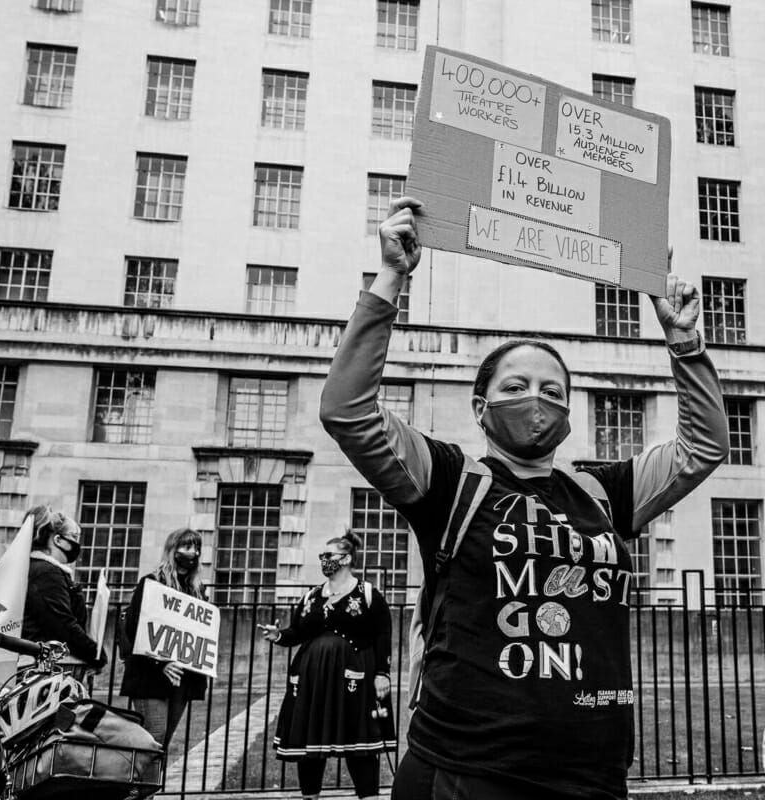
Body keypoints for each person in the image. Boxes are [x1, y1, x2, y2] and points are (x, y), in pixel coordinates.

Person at [319, 197, 729, 800]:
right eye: (516, 386)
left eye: (553, 389)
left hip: (592, 778)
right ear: (481, 408)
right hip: (466, 774)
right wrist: (390, 276)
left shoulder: (605, 492)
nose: (537, 398)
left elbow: (703, 446)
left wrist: (685, 341)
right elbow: (347, 412)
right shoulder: (451, 481)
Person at [260, 530, 395, 800]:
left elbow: (383, 635)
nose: (324, 560)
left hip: (353, 680)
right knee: (311, 745)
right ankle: (310, 796)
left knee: (360, 744)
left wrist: (382, 673)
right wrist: (279, 636)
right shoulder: (311, 596)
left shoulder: (368, 594)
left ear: (345, 559)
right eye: (323, 556)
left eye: (329, 555)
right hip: (313, 680)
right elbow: (297, 632)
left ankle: (368, 796)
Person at [120, 527, 207, 748]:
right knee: (153, 738)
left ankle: (152, 784)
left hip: (184, 676)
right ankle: (138, 783)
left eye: (197, 548)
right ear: (173, 549)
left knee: (163, 742)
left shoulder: (197, 590)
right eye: (187, 547)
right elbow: (135, 628)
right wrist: (161, 663)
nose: (193, 553)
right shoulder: (151, 583)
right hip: (151, 674)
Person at [22, 504, 107, 676]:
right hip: (48, 667)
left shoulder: (37, 569)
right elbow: (61, 625)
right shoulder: (46, 572)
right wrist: (95, 654)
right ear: (58, 540)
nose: (77, 543)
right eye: (74, 536)